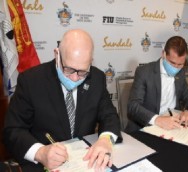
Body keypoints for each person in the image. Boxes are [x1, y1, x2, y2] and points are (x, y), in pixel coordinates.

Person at [3, 29, 122, 172]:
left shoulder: (97, 78)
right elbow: (13, 130)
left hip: (85, 162)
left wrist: (105, 140)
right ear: (57, 54)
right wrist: (40, 152)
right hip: (44, 165)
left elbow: (109, 115)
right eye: (69, 69)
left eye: (82, 71)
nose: (75, 78)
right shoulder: (31, 81)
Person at [125, 36, 188, 133]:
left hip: (173, 125)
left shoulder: (180, 72)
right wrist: (157, 120)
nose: (176, 68)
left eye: (180, 64)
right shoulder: (144, 72)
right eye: (172, 63)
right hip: (146, 126)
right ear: (163, 54)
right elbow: (133, 107)